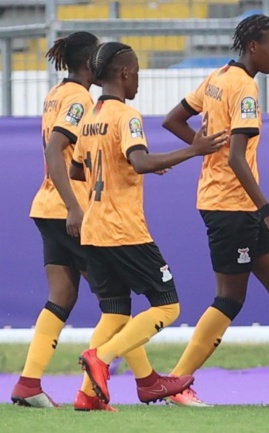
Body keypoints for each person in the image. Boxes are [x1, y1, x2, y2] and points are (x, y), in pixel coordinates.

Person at [161, 14, 269, 406]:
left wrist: (202, 147)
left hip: (232, 203)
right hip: (232, 206)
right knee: (230, 299)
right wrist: (267, 209)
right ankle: (178, 384)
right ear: (254, 46)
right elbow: (236, 158)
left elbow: (173, 120)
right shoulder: (245, 89)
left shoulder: (218, 77)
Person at [69, 41, 227, 406]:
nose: (138, 79)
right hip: (123, 229)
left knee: (114, 313)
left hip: (93, 230)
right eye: (137, 72)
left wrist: (126, 165)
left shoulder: (90, 116)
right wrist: (193, 149)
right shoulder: (127, 115)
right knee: (168, 305)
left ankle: (87, 394)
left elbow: (78, 168)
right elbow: (139, 162)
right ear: (124, 73)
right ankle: (102, 359)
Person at [11, 31, 129, 411]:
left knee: (61, 297)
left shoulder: (56, 94)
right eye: (96, 58)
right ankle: (144, 382)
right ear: (87, 62)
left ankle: (29, 383)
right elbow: (55, 148)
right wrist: (75, 208)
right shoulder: (79, 99)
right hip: (70, 212)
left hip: (46, 208)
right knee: (116, 302)